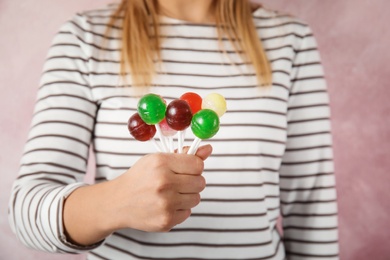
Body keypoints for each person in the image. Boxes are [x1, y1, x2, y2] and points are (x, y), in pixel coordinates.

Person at [9, 0, 339, 259]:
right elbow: (25, 214)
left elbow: (312, 212)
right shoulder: (85, 37)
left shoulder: (290, 40)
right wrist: (116, 202)